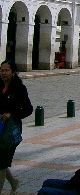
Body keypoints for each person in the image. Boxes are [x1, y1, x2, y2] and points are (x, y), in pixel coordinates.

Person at [0, 59, 33, 195]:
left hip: (10, 131)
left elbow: (28, 109)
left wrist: (12, 114)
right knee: (1, 162)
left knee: (1, 163)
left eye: (6, 70)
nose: (3, 73)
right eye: (1, 70)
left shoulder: (19, 88)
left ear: (13, 72)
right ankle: (14, 182)